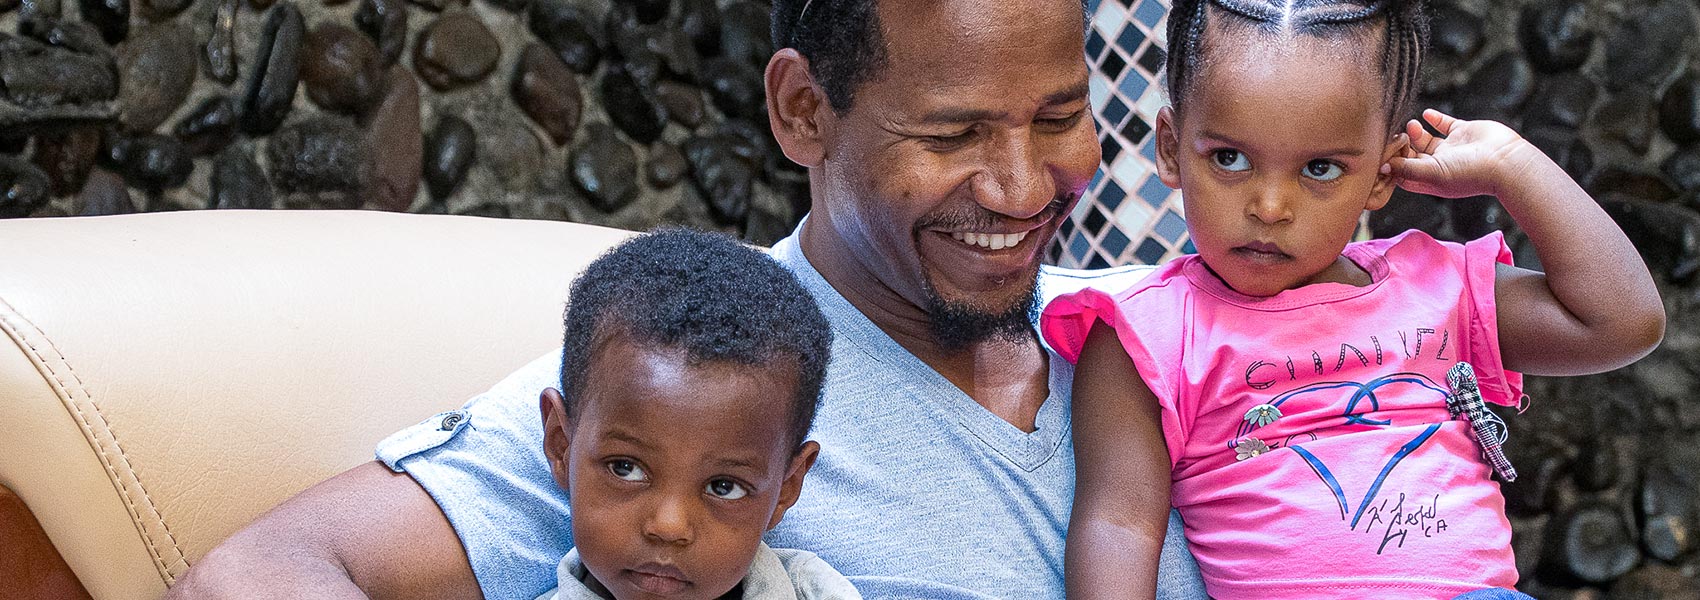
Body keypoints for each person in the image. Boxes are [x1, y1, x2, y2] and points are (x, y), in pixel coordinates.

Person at [168, 0, 1211, 598]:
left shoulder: (1170, 331)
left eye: (1060, 116)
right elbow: (263, 570)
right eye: (949, 136)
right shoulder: (700, 387)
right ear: (803, 112)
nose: (1021, 187)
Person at [1039, 0, 1667, 598]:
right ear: (1173, 149)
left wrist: (1512, 164)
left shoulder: (1434, 289)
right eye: (1229, 158)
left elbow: (1621, 322)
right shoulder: (1145, 333)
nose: (1270, 207)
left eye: (1320, 169)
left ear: (1383, 173)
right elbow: (1117, 526)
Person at [533, 229, 858, 600]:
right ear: (561, 445)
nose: (669, 526)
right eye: (625, 467)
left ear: (786, 487)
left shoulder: (815, 592)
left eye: (724, 487)